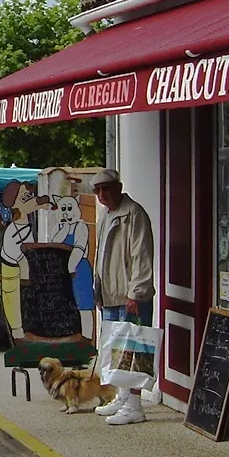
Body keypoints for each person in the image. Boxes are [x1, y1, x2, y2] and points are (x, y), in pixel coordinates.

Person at [92, 169, 155, 426]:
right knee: (115, 349)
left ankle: (135, 406)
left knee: (134, 349)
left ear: (118, 187)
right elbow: (101, 257)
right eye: (97, 191)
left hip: (129, 295)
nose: (101, 195)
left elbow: (142, 256)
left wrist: (137, 293)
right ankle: (122, 396)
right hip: (111, 294)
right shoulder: (106, 215)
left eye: (106, 189)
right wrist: (98, 289)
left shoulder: (134, 214)